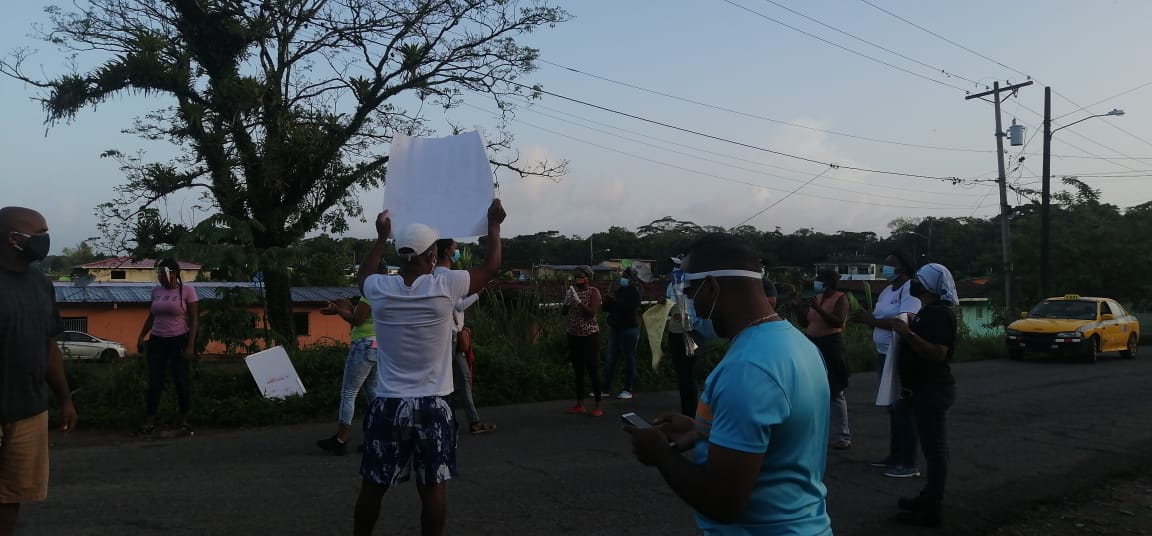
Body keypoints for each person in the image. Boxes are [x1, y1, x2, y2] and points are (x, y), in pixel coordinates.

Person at [625, 233, 832, 535]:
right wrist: (703, 429)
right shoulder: (795, 343)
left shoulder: (748, 369)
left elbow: (723, 503)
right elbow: (777, 436)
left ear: (712, 287)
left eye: (691, 291)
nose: (689, 303)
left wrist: (662, 454)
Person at [352, 199, 505, 536]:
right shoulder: (445, 286)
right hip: (433, 404)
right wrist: (494, 225)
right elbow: (490, 266)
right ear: (431, 257)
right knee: (432, 489)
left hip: (388, 402)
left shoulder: (380, 289)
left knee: (373, 487)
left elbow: (363, 275)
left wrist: (380, 238)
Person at [0, 206, 77, 536]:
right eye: (39, 234)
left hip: (29, 410)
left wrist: (64, 398)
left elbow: (49, 347)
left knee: (10, 494)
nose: (45, 240)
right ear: (12, 238)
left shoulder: (42, 285)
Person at [889, 263, 959, 527]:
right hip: (924, 389)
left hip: (933, 389)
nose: (914, 282)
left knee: (935, 450)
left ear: (929, 285)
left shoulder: (940, 314)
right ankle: (928, 496)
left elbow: (938, 353)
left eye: (919, 279)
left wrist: (907, 334)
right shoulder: (929, 311)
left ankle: (933, 509)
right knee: (933, 448)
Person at [853, 250, 922, 478]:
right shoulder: (885, 291)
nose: (886, 268)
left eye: (891, 264)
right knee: (893, 409)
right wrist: (867, 320)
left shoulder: (910, 288)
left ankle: (909, 462)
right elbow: (879, 319)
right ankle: (895, 455)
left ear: (903, 267)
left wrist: (870, 321)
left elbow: (904, 321)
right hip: (884, 354)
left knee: (904, 409)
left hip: (900, 356)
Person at [433, 238, 495, 435]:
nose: (457, 250)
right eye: (455, 248)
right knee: (451, 380)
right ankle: (445, 421)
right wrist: (478, 293)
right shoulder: (451, 277)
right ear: (447, 252)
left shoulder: (433, 275)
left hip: (451, 335)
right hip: (451, 336)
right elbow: (458, 306)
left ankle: (472, 420)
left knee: (462, 377)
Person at [136, 258, 198, 437]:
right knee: (154, 381)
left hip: (178, 340)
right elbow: (152, 315)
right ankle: (150, 420)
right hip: (157, 340)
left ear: (174, 273)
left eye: (164, 273)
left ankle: (185, 419)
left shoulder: (187, 291)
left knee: (181, 381)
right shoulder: (156, 291)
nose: (161, 277)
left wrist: (190, 345)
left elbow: (194, 319)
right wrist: (141, 335)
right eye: (159, 273)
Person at [315, 294, 378, 455]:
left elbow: (357, 321)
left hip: (363, 345)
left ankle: (341, 439)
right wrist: (349, 307)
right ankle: (378, 439)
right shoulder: (384, 292)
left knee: (349, 393)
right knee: (373, 394)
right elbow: (363, 315)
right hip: (378, 346)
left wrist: (337, 310)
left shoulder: (369, 293)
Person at [802, 270, 851, 450]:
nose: (816, 283)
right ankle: (815, 433)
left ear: (828, 282)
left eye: (819, 280)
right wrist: (798, 308)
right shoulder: (818, 297)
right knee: (813, 389)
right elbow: (806, 322)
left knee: (835, 390)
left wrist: (818, 309)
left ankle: (842, 435)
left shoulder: (841, 298)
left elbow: (837, 322)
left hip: (831, 346)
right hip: (813, 344)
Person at [563, 265, 604, 417]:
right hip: (573, 335)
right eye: (576, 277)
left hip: (590, 336)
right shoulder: (573, 291)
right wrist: (567, 301)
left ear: (588, 278)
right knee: (578, 370)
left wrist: (579, 302)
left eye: (580, 277)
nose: (577, 280)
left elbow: (591, 313)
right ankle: (580, 404)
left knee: (592, 369)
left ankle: (598, 405)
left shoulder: (594, 292)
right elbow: (564, 312)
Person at [602, 267, 642, 400]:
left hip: (629, 330)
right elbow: (608, 308)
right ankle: (605, 389)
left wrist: (614, 302)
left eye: (626, 276)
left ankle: (628, 389)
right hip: (615, 329)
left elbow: (628, 309)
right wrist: (607, 302)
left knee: (629, 359)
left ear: (632, 279)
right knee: (611, 359)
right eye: (623, 275)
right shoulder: (618, 291)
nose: (623, 278)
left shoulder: (635, 293)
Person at [664, 255, 697, 417]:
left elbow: (693, 307)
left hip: (688, 332)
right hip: (674, 331)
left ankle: (691, 413)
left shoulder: (690, 284)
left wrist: (687, 316)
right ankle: (686, 410)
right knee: (681, 373)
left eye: (676, 266)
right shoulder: (672, 284)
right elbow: (669, 303)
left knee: (686, 374)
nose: (674, 269)